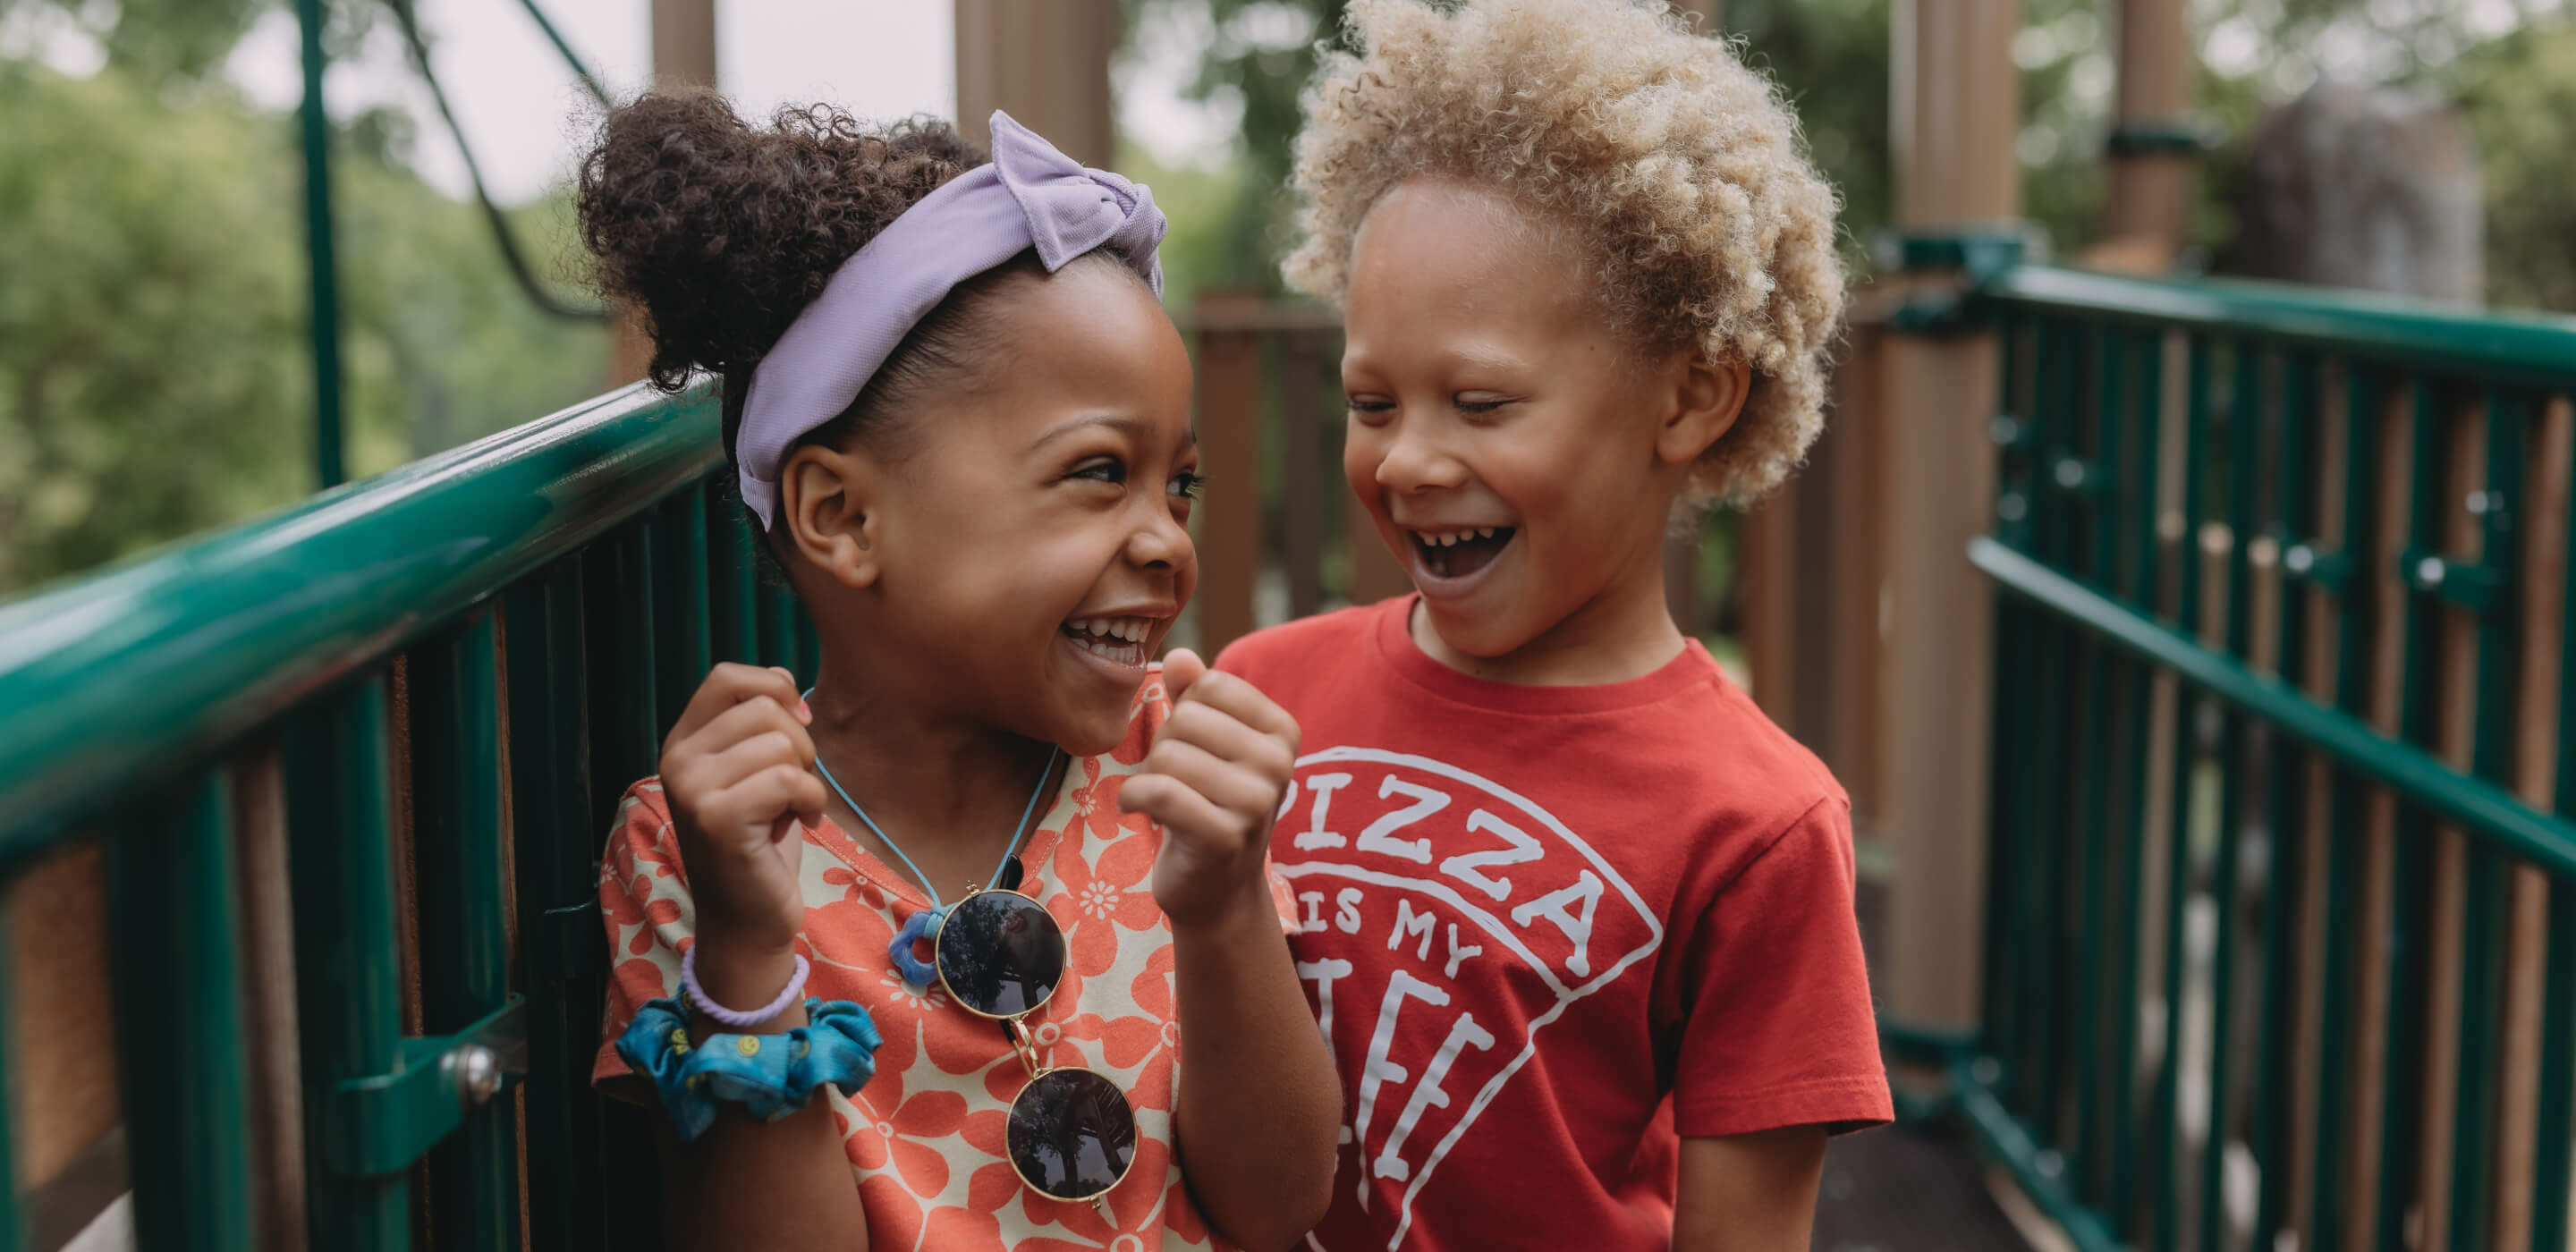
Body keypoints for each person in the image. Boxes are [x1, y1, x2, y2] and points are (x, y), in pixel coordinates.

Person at [578, 90, 1339, 1250]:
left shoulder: (1165, 762)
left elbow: (1279, 1204)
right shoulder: (704, 845)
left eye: (1178, 485)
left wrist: (1227, 907)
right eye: (1099, 473)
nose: (1166, 540)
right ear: (842, 515)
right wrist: (744, 954)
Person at [1212, 1, 1892, 1247]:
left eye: (1480, 401)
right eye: (1372, 401)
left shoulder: (1759, 827)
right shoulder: (1259, 695)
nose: (1410, 462)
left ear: (1690, 397)